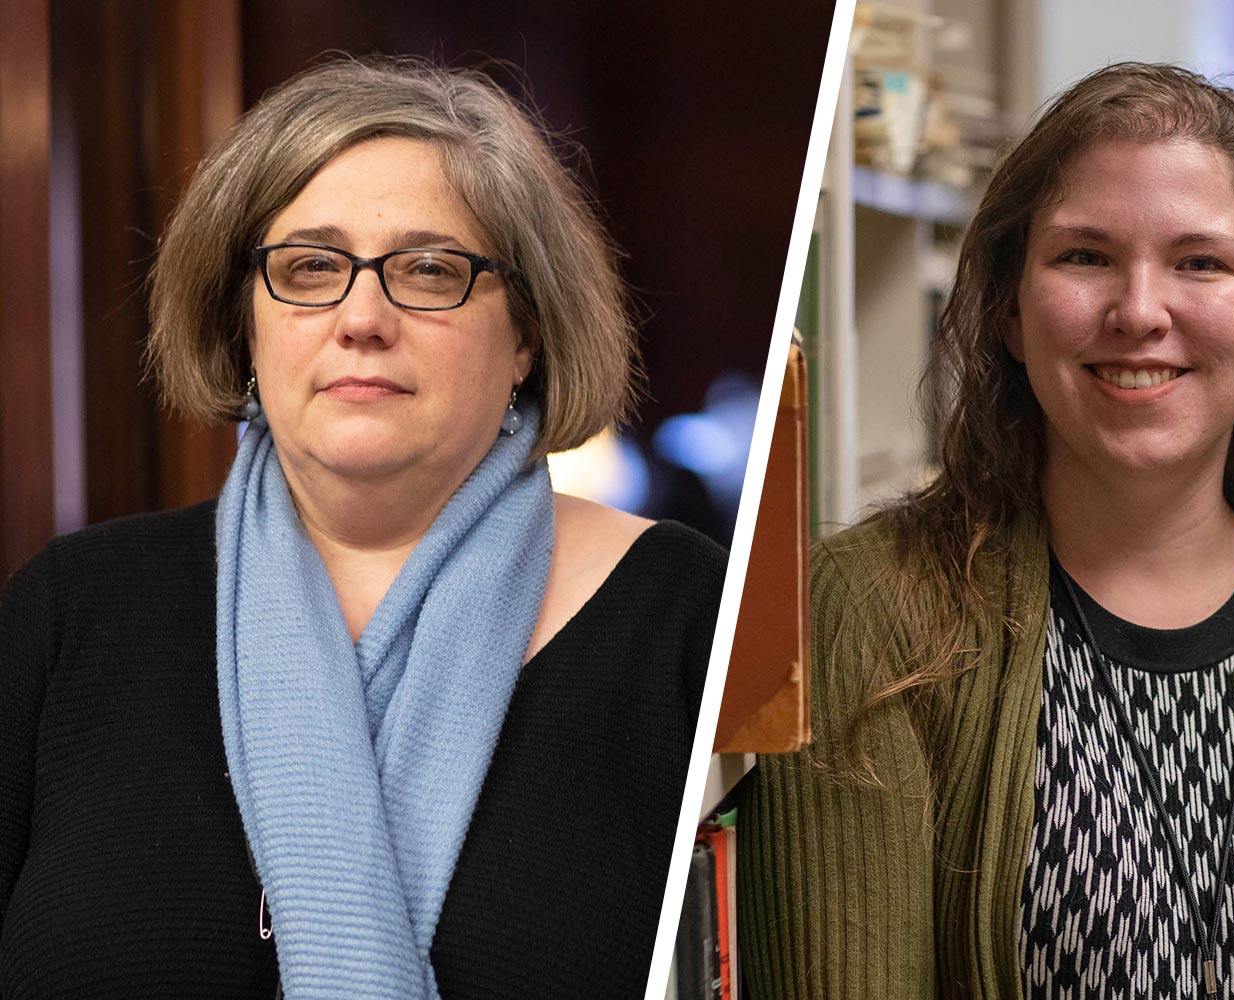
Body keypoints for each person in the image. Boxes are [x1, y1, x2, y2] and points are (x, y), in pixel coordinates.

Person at [741, 63, 1234, 999]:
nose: (1140, 312)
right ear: (1011, 313)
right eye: (1085, 256)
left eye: (1202, 262)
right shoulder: (870, 615)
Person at [0, 57, 725, 1000]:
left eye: (430, 270)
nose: (363, 317)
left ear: (528, 338)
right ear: (244, 322)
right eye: (310, 267)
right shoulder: (68, 612)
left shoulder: (685, 618)